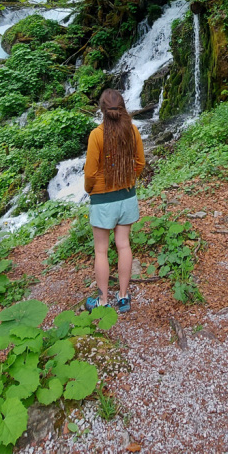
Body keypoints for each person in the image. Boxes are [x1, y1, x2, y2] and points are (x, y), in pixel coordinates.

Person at [83, 88, 145, 313]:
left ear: (102, 110)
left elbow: (90, 173)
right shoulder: (132, 131)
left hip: (102, 199)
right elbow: (140, 162)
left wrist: (91, 189)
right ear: (122, 108)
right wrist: (129, 178)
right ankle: (123, 297)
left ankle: (101, 301)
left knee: (101, 250)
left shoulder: (97, 135)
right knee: (124, 245)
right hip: (127, 196)